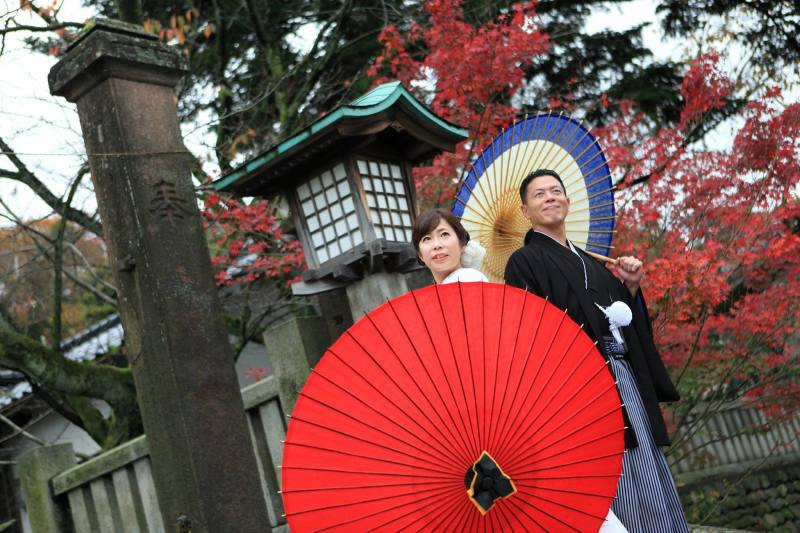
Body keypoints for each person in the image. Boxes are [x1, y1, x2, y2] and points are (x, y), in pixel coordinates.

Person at [504, 169, 689, 533]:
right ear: (526, 210)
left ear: (568, 201)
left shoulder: (595, 263)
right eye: (539, 195)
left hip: (624, 377)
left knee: (644, 458)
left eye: (556, 191)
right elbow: (529, 332)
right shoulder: (524, 262)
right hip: (582, 385)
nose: (550, 198)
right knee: (611, 467)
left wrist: (631, 288)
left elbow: (631, 328)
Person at [411, 208, 488, 284]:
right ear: (420, 255)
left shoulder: (472, 280)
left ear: (462, 243)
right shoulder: (433, 292)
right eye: (427, 239)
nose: (437, 245)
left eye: (444, 234)